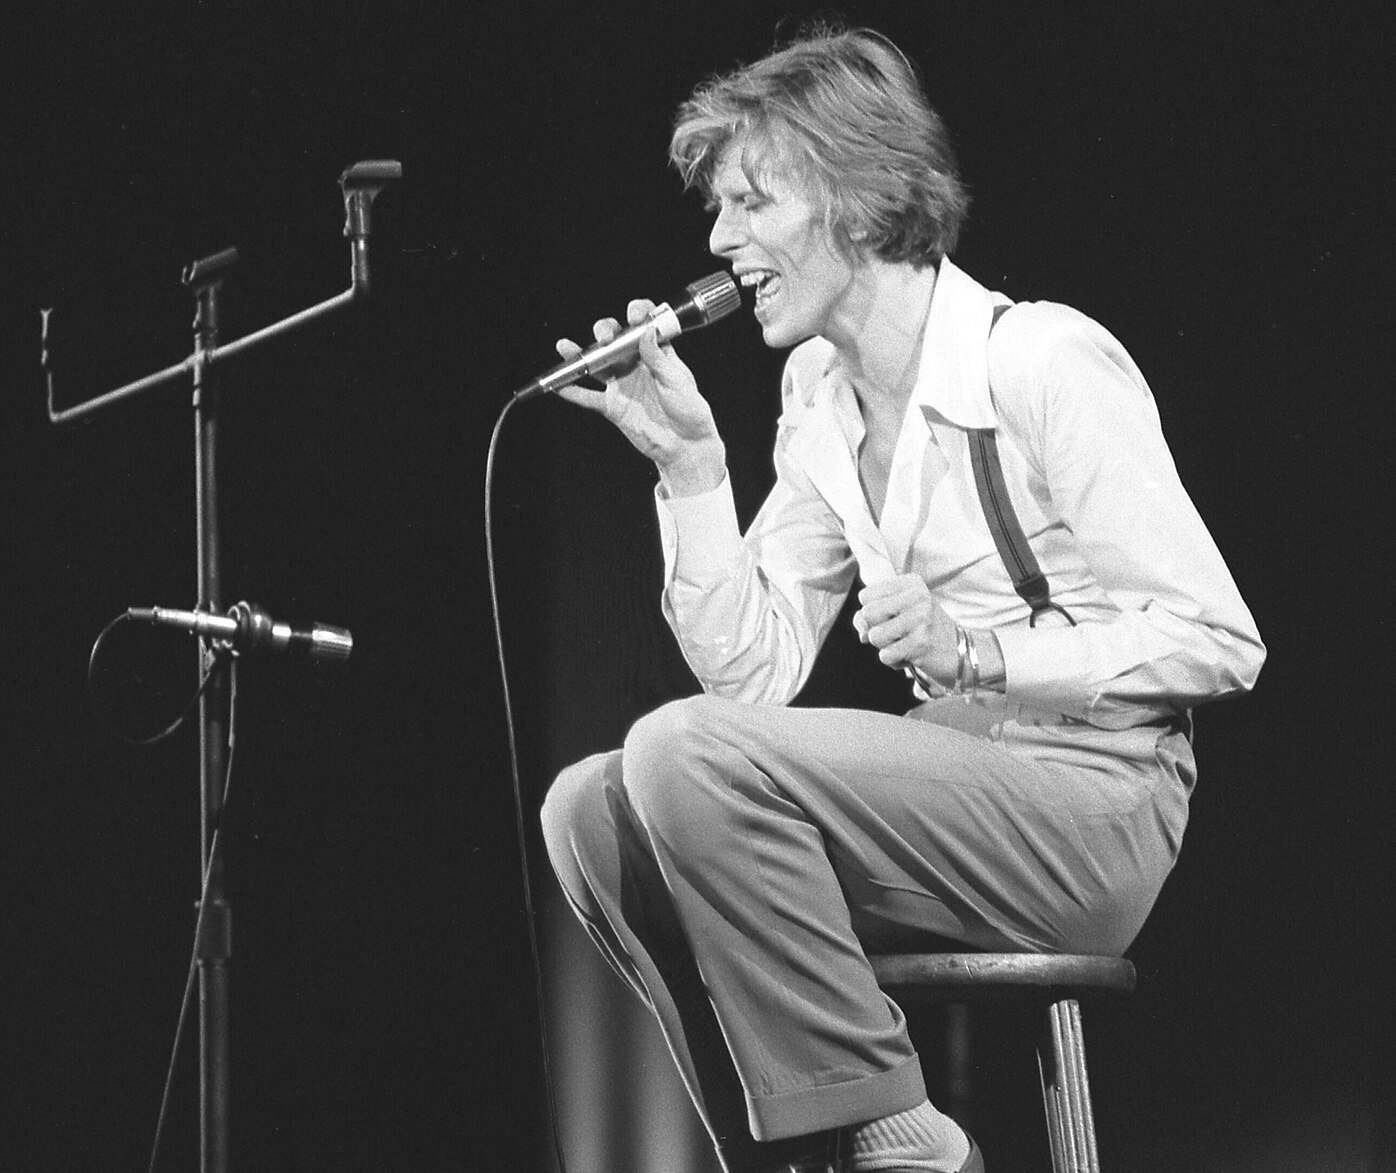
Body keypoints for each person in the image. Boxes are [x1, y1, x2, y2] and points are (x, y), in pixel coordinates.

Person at [539, 24, 1264, 1173]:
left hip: (1092, 802)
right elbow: (755, 670)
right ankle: (796, 1153)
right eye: (719, 209)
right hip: (951, 794)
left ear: (856, 196)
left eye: (752, 202)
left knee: (682, 753)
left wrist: (982, 656)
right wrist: (691, 473)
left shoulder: (1036, 359)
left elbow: (1219, 642)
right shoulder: (818, 390)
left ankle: (901, 1145)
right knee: (589, 810)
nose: (721, 241)